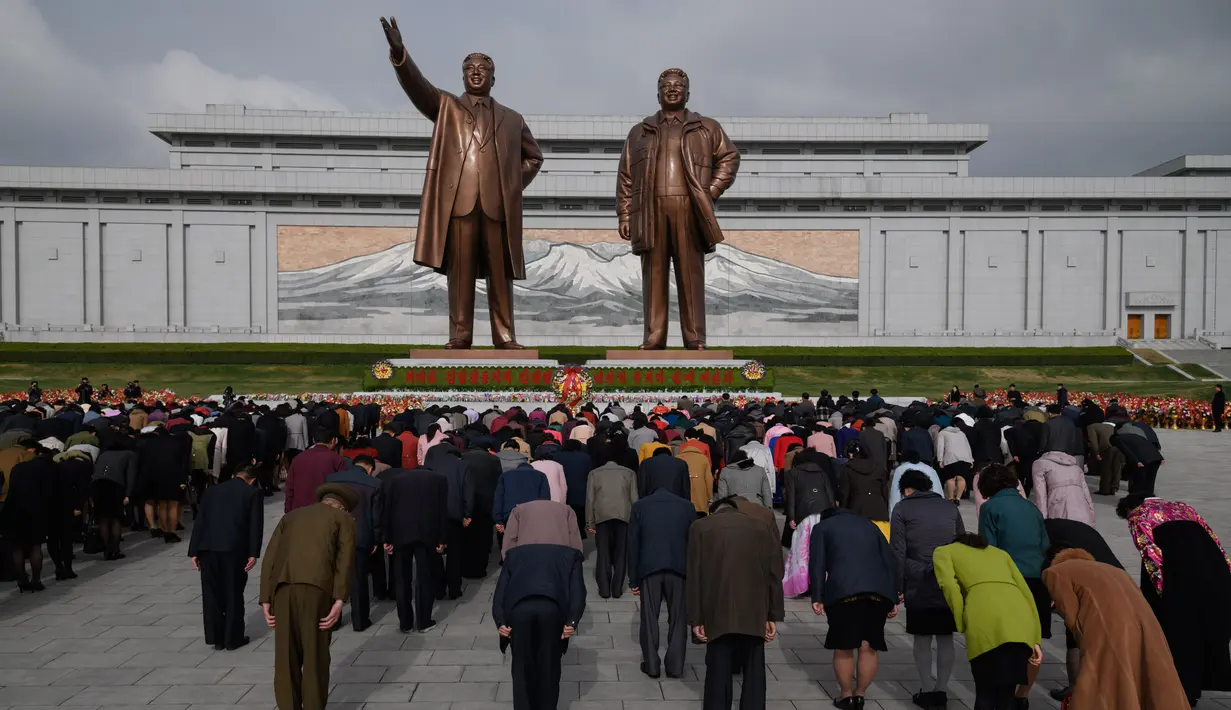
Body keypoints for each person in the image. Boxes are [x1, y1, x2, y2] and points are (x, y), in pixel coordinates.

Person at [380, 17, 542, 349]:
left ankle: (505, 337)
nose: (477, 71)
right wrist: (400, 53)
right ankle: (460, 335)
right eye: (470, 68)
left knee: (501, 275)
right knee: (461, 274)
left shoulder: (513, 119)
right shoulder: (447, 108)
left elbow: (534, 158)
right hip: (460, 206)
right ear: (463, 75)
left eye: (483, 68)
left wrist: (510, 186)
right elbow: (418, 87)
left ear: (494, 78)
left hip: (497, 209)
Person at [616, 68, 739, 350]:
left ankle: (695, 337)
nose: (672, 89)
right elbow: (625, 175)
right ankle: (653, 336)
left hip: (689, 208)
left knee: (690, 275)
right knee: (653, 275)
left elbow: (730, 158)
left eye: (678, 85)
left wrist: (711, 191)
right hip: (650, 210)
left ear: (687, 93)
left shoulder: (706, 127)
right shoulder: (640, 132)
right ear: (657, 93)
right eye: (666, 86)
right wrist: (625, 213)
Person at [1042, 548, 1188, 709]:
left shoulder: (1055, 572)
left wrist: (1084, 640)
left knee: (1101, 677)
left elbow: (1070, 614)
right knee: (1148, 671)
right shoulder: (1117, 571)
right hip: (1146, 624)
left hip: (1105, 626)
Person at [1120, 494, 1231, 706]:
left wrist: (1162, 595)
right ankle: (1200, 685)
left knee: (1181, 636)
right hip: (1215, 573)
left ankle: (1183, 692)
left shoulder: (1139, 515)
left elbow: (1151, 556)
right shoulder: (1184, 508)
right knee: (1208, 629)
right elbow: (1215, 541)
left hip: (1181, 580)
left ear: (1129, 509)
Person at [260, 483, 356, 710]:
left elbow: (270, 559)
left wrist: (266, 599)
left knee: (285, 657)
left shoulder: (291, 517)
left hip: (283, 590)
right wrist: (340, 599)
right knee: (315, 655)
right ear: (343, 507)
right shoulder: (343, 520)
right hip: (317, 590)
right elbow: (345, 561)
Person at [687, 496, 784, 710]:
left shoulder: (700, 527)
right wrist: (772, 614)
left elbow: (694, 575)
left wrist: (696, 619)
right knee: (754, 669)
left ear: (715, 510)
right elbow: (774, 573)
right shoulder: (761, 527)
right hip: (754, 610)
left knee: (717, 670)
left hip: (716, 610)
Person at [934, 533, 1042, 710]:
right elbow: (1026, 592)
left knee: (985, 691)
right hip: (1019, 616)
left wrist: (961, 620)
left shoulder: (944, 551)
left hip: (983, 615)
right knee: (1007, 692)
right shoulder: (1001, 553)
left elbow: (949, 587)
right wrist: (1035, 638)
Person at [809, 504, 898, 709]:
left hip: (844, 592)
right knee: (868, 646)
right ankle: (860, 695)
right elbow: (890, 560)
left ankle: (846, 695)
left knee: (844, 646)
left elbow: (817, 564)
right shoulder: (870, 525)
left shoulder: (823, 528)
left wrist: (817, 596)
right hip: (878, 592)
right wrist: (893, 596)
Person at [889, 470, 965, 709]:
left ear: (907, 489)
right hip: (947, 579)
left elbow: (898, 551)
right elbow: (962, 543)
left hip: (917, 579)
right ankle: (942, 689)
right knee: (945, 637)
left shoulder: (902, 509)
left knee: (922, 638)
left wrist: (896, 586)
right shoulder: (950, 507)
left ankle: (925, 687)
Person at [977, 464, 1050, 704]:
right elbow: (1045, 544)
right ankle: (1023, 694)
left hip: (1009, 582)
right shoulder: (1031, 508)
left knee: (1005, 642)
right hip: (1036, 580)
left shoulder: (990, 508)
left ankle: (1004, 693)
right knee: (1032, 644)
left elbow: (989, 549)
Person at [492, 543, 586, 710]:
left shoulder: (513, 555)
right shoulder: (572, 556)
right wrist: (572, 621)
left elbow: (501, 592)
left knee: (521, 668)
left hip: (520, 610)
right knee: (549, 666)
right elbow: (578, 592)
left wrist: (501, 622)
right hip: (551, 610)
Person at [1042, 518, 1124, 702]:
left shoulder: (1043, 534)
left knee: (1075, 635)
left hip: (1093, 588)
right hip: (1119, 579)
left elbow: (1047, 565)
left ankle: (1077, 690)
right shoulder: (1067, 528)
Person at [188, 464, 263, 650]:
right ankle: (233, 638)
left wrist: (194, 551)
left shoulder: (212, 491)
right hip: (234, 549)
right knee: (233, 593)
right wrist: (253, 553)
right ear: (252, 479)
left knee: (211, 594)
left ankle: (216, 637)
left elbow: (201, 520)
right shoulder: (252, 493)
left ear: (233, 475)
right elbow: (255, 525)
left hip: (208, 548)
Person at [627, 478, 695, 679]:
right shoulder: (687, 507)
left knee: (649, 618)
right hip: (679, 568)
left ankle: (652, 664)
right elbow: (693, 542)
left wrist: (633, 579)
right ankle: (675, 666)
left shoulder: (640, 506)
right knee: (679, 618)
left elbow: (633, 544)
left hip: (649, 568)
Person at [381, 464, 448, 633]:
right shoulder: (439, 479)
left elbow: (388, 509)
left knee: (402, 579)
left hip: (400, 533)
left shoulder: (396, 480)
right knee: (424, 578)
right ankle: (424, 621)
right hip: (427, 534)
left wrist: (387, 537)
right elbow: (442, 511)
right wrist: (442, 538)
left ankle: (405, 623)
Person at [324, 455, 383, 631]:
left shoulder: (331, 479)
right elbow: (376, 517)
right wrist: (376, 539)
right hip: (360, 536)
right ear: (370, 469)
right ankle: (360, 620)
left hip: (332, 535)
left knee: (334, 578)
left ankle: (333, 620)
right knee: (359, 579)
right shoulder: (374, 484)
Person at [423, 443, 475, 599]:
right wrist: (467, 514)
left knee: (434, 552)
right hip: (455, 514)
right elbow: (469, 491)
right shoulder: (464, 466)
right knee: (455, 553)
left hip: (433, 514)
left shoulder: (430, 465)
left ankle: (438, 589)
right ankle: (454, 589)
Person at [586, 451, 638, 598]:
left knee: (603, 553)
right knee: (621, 553)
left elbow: (590, 499)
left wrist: (590, 522)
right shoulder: (629, 473)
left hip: (602, 516)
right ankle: (617, 590)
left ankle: (604, 589)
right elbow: (634, 498)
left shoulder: (594, 474)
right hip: (624, 516)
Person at [2, 443, 53, 592]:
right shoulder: (43, 470)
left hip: (14, 509)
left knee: (17, 547)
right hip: (35, 511)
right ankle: (36, 580)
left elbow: (11, 489)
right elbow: (47, 493)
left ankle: (22, 579)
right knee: (35, 546)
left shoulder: (17, 468)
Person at [91, 437, 139, 560]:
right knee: (116, 518)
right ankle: (115, 549)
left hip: (97, 485)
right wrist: (128, 494)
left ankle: (106, 549)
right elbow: (131, 475)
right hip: (116, 485)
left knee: (103, 518)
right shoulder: (130, 454)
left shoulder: (104, 453)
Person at [285, 428, 347, 513]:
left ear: (313, 440)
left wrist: (288, 510)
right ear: (333, 440)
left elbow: (289, 487)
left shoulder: (298, 458)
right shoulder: (337, 459)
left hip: (299, 511)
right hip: (326, 511)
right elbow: (342, 488)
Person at [838, 440, 891, 538]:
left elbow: (844, 494)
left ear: (851, 453)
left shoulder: (847, 468)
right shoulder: (879, 468)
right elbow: (885, 493)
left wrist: (843, 513)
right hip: (879, 512)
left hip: (857, 512)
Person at [1029, 450, 1095, 526]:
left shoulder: (1040, 464)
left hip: (1059, 519)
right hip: (1085, 518)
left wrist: (1043, 525)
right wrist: (1092, 521)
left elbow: (1041, 500)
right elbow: (1087, 498)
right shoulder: (1076, 467)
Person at [502, 499, 582, 557]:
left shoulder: (518, 510)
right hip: (560, 555)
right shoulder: (566, 509)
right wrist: (577, 557)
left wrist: (507, 559)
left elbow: (510, 537)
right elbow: (573, 534)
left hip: (526, 556)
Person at [935, 419, 973, 503]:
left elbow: (940, 447)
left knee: (950, 478)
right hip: (965, 457)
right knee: (961, 478)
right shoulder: (961, 433)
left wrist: (940, 460)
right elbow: (967, 446)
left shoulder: (942, 433)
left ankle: (951, 498)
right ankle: (958, 498)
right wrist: (971, 460)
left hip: (951, 457)